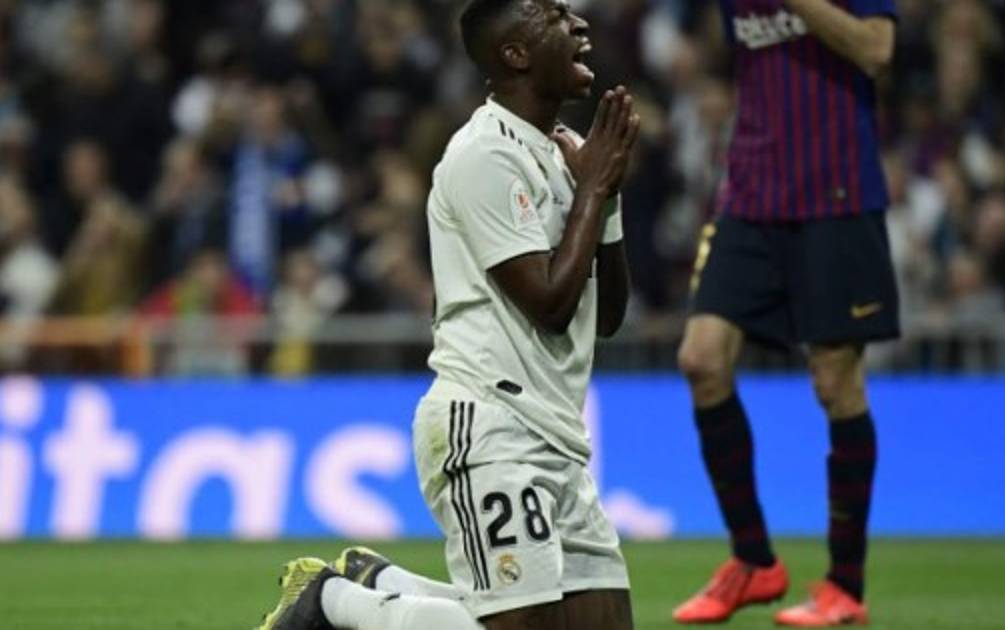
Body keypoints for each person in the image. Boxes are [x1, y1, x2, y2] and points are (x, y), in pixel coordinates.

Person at [252, 1, 640, 629]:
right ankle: (333, 602)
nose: (578, 24)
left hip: (559, 435)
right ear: (515, 53)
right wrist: (592, 189)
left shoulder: (567, 153)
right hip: (489, 421)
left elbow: (609, 316)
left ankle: (386, 584)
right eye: (553, 15)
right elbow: (549, 304)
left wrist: (608, 197)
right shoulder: (483, 155)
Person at [672, 0, 899, 626]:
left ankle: (845, 586)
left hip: (837, 196)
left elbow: (877, 50)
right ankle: (753, 560)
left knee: (836, 382)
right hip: (750, 196)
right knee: (701, 359)